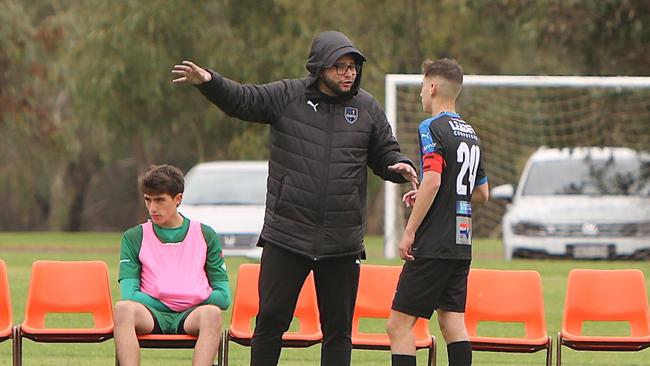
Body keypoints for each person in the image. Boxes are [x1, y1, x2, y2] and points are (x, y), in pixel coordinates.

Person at [172, 31, 417, 366]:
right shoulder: (287, 96)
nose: (349, 74)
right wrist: (209, 81)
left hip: (341, 241)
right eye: (340, 67)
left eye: (353, 67)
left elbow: (385, 153)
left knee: (338, 332)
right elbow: (243, 99)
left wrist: (399, 167)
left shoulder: (367, 108)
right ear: (319, 67)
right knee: (271, 322)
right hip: (286, 236)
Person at [386, 58, 489, 366]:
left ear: (432, 87)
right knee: (452, 322)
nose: (420, 93)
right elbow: (482, 194)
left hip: (433, 244)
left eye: (421, 87)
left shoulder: (431, 127)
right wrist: (440, 194)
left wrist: (409, 231)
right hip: (461, 243)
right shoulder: (471, 133)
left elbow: (432, 179)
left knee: (399, 325)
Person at [113, 164, 230, 366]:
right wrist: (186, 295)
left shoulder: (205, 234)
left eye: (160, 200)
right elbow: (129, 295)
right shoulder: (133, 237)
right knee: (123, 309)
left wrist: (176, 298)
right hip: (151, 315)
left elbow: (224, 297)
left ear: (178, 199)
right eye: (148, 200)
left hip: (191, 315)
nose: (152, 208)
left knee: (212, 314)